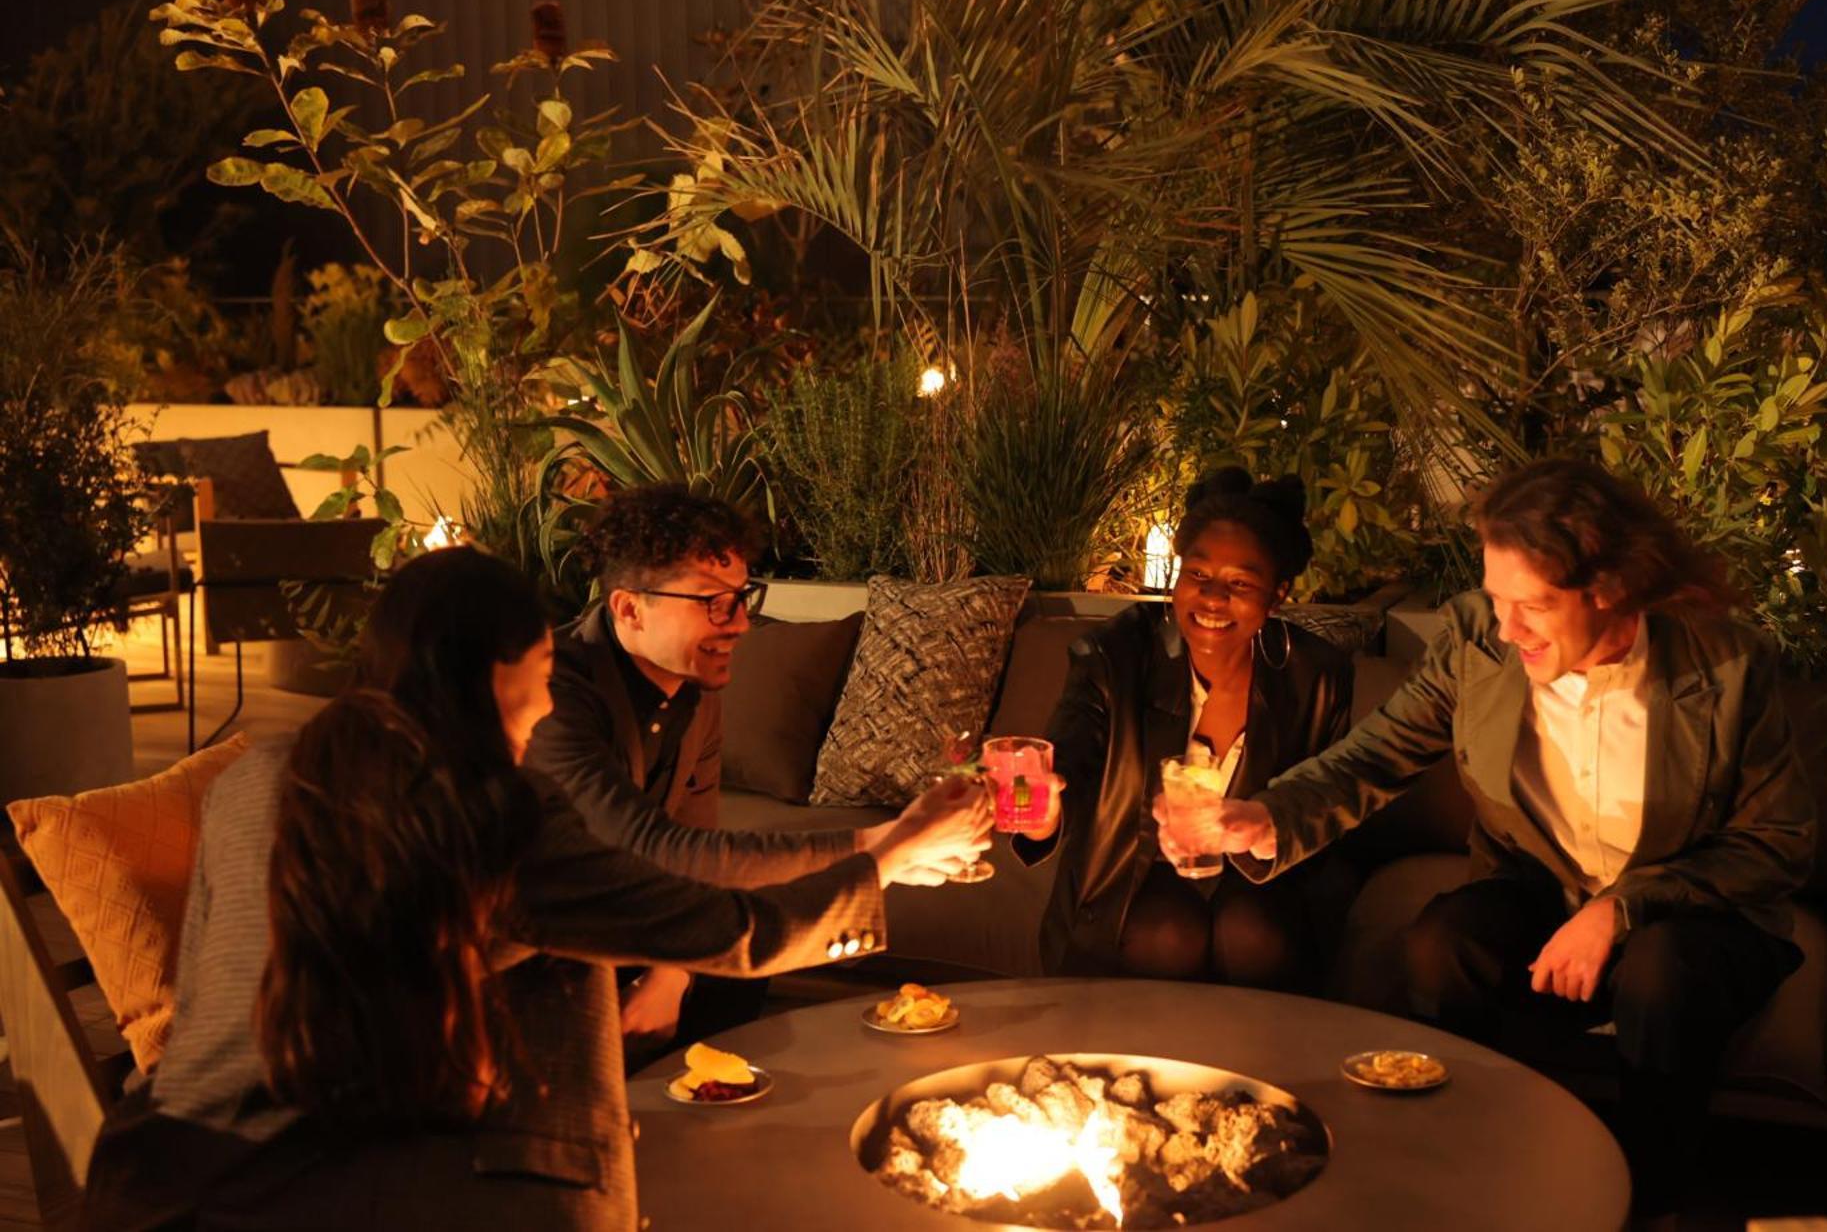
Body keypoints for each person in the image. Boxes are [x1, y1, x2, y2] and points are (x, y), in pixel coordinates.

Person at [83, 547, 988, 1230]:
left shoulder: (251, 778)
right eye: (542, 678)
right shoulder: (491, 815)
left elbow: (203, 990)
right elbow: (731, 928)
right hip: (388, 1196)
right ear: (488, 680)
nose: (550, 706)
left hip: (169, 1175)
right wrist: (887, 858)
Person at [1159, 458, 1815, 1221]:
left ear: (1606, 590)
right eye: (1497, 601)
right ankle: (1471, 1177)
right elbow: (1375, 754)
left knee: (1660, 974)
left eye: (1529, 606)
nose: (1507, 629)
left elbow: (1776, 844)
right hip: (1546, 892)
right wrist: (1266, 815)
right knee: (1444, 942)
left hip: (1693, 921)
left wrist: (1622, 909)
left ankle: (1645, 1198)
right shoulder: (1480, 639)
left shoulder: (1726, 665)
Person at [524, 483, 985, 1054]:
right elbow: (648, 850)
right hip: (543, 949)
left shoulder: (696, 685)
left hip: (632, 919)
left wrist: (674, 973)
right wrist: (883, 845)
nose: (739, 624)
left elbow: (698, 844)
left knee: (740, 953)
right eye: (712, 602)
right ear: (628, 608)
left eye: (743, 597)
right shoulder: (551, 696)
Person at [1016, 469, 1354, 987]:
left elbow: (1327, 808)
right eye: (1197, 575)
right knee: (1168, 932)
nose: (1213, 598)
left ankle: (1254, 1061)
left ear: (1277, 594)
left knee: (1253, 930)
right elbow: (1071, 753)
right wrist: (1043, 807)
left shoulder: (1317, 677)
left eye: (1240, 583)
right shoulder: (1115, 653)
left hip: (1257, 877)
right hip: (1135, 874)